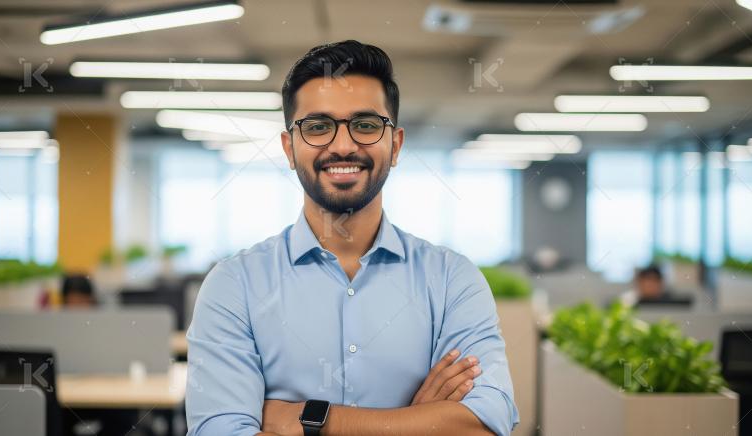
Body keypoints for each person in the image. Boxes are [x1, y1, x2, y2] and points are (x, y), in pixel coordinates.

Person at [185, 40, 518, 436]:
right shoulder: (234, 285)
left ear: (394, 145)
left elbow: (485, 425)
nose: (342, 146)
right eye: (318, 127)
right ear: (289, 148)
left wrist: (310, 420)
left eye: (365, 125)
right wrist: (417, 422)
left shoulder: (452, 280)